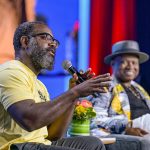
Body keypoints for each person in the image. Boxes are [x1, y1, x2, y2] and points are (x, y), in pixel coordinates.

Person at [0, 21, 112, 150]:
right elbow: (29, 120)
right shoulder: (11, 71)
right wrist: (74, 93)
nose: (53, 44)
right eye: (44, 37)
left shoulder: (39, 85)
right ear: (25, 42)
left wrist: (74, 94)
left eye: (54, 41)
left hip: (40, 144)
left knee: (93, 144)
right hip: (15, 146)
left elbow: (53, 134)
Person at [90, 40, 150, 137]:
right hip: (128, 134)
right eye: (124, 62)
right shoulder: (104, 87)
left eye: (134, 63)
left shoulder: (139, 88)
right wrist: (125, 129)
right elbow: (95, 121)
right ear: (113, 64)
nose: (130, 67)